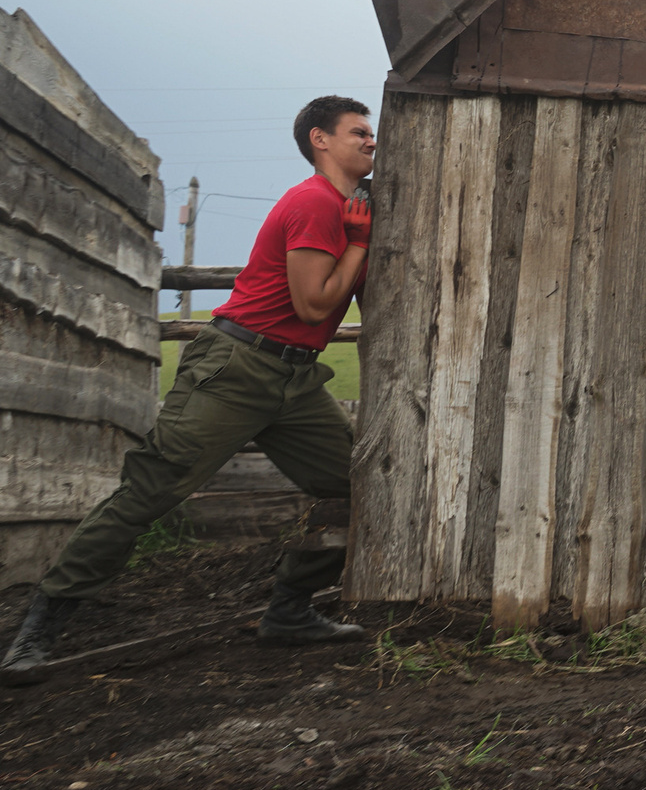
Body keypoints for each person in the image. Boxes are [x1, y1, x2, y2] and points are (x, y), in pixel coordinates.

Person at [4, 97, 376, 682]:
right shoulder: (314, 203)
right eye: (358, 131)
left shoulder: (349, 207)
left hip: (294, 378)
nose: (371, 140)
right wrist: (358, 242)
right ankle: (37, 630)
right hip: (235, 368)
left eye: (370, 132)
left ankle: (289, 611)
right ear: (319, 140)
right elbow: (313, 304)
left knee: (358, 486)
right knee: (149, 492)